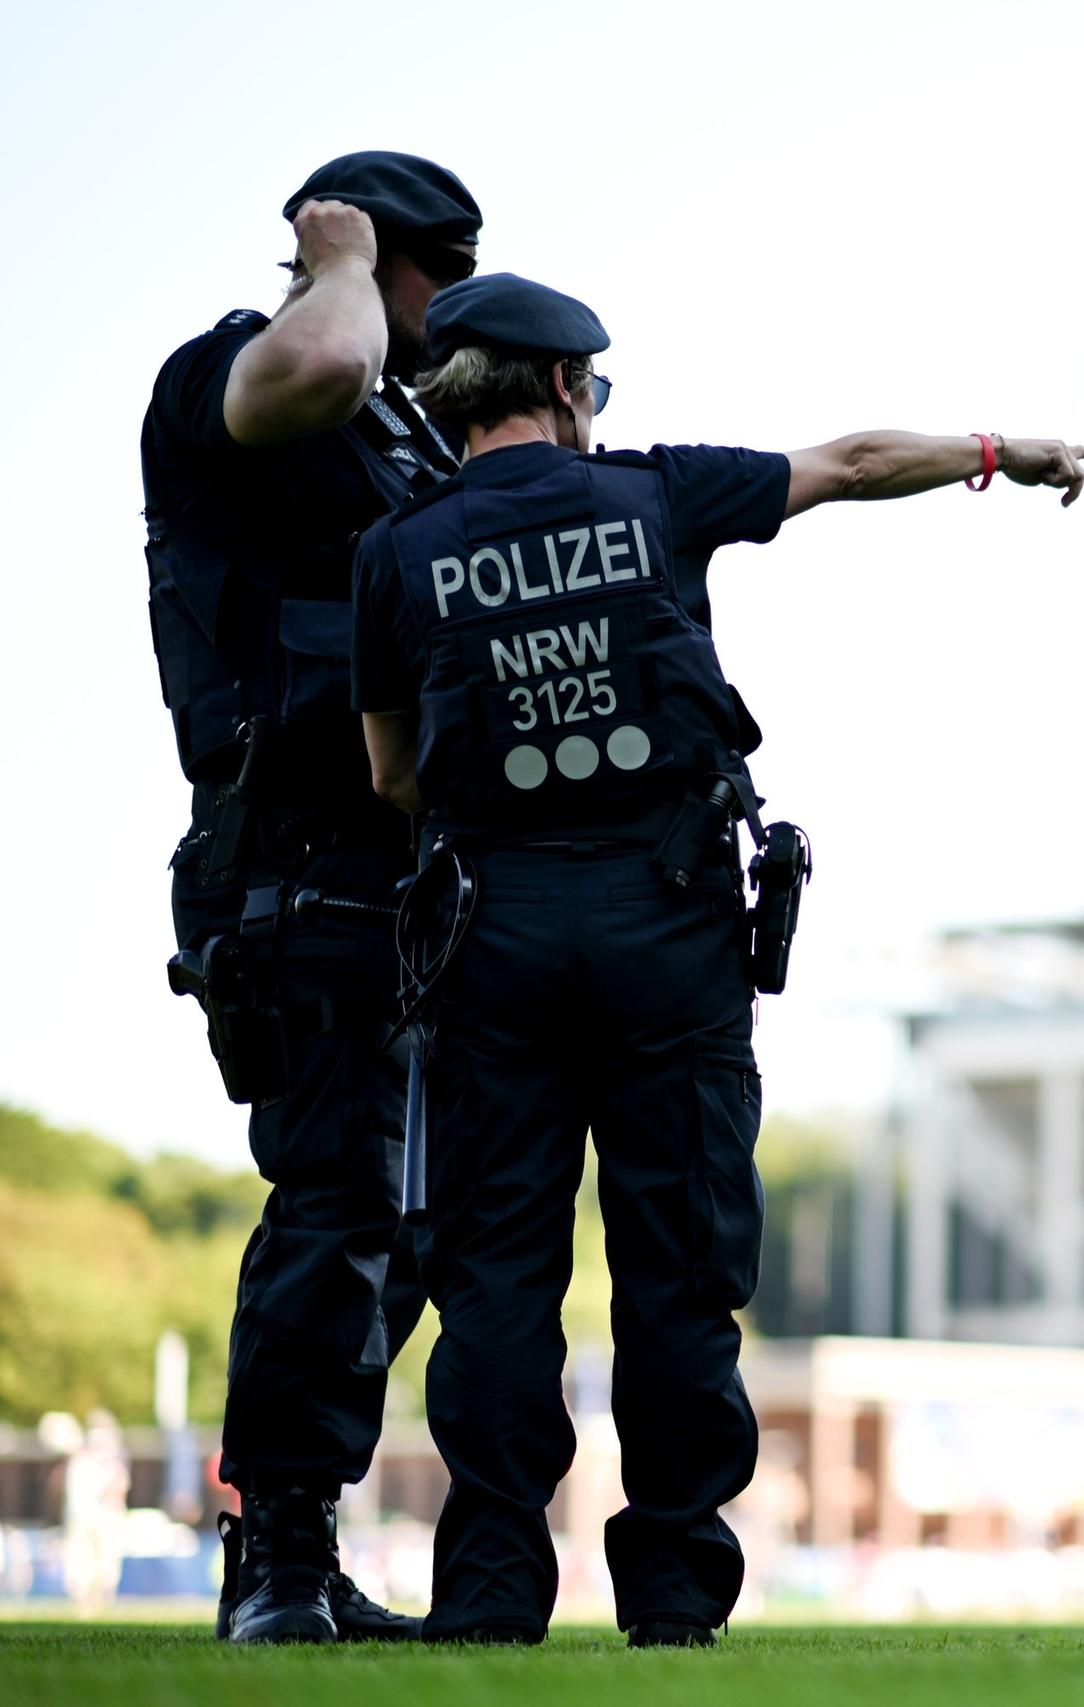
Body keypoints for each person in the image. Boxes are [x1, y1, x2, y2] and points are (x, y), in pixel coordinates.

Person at [347, 273, 1084, 1647]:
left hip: (493, 942)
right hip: (668, 927)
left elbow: (394, 773)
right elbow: (854, 461)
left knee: (497, 1277)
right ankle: (673, 1601)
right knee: (681, 1270)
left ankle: (493, 1596)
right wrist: (1006, 451)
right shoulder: (658, 493)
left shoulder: (397, 551)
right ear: (564, 385)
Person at [142, 149, 483, 1645]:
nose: (452, 302)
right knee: (341, 1199)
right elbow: (326, 361)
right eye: (436, 271)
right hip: (294, 860)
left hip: (412, 875)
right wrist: (335, 261)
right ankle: (271, 1564)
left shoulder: (408, 435)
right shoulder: (241, 372)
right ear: (357, 248)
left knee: (412, 1226)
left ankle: (308, 1544)